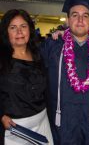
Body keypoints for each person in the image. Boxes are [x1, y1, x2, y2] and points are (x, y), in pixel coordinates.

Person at [40, 0, 89, 144]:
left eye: (85, 16)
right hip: (62, 125)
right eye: (75, 15)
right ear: (67, 20)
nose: (80, 20)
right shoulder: (52, 47)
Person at [0, 9, 53, 145]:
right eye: (13, 27)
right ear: (6, 32)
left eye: (23, 26)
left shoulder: (39, 55)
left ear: (30, 29)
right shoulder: (2, 59)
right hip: (15, 128)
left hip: (42, 123)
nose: (19, 32)